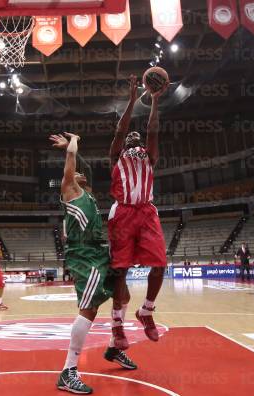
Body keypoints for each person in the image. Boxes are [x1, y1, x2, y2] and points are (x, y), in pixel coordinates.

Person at [51, 132, 136, 395]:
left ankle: (114, 346)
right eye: (77, 173)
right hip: (83, 256)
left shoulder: (86, 191)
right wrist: (72, 142)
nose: (82, 174)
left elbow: (83, 167)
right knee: (88, 309)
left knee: (123, 294)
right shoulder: (69, 189)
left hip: (100, 253)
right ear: (71, 179)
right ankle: (68, 370)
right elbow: (73, 163)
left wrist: (79, 155)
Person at [107, 74, 169, 346]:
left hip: (146, 212)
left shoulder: (149, 156)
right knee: (120, 272)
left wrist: (154, 101)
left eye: (137, 135)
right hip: (123, 214)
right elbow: (121, 131)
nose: (133, 135)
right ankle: (117, 325)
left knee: (160, 264)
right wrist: (132, 101)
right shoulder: (116, 156)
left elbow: (153, 128)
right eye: (129, 135)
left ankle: (146, 311)